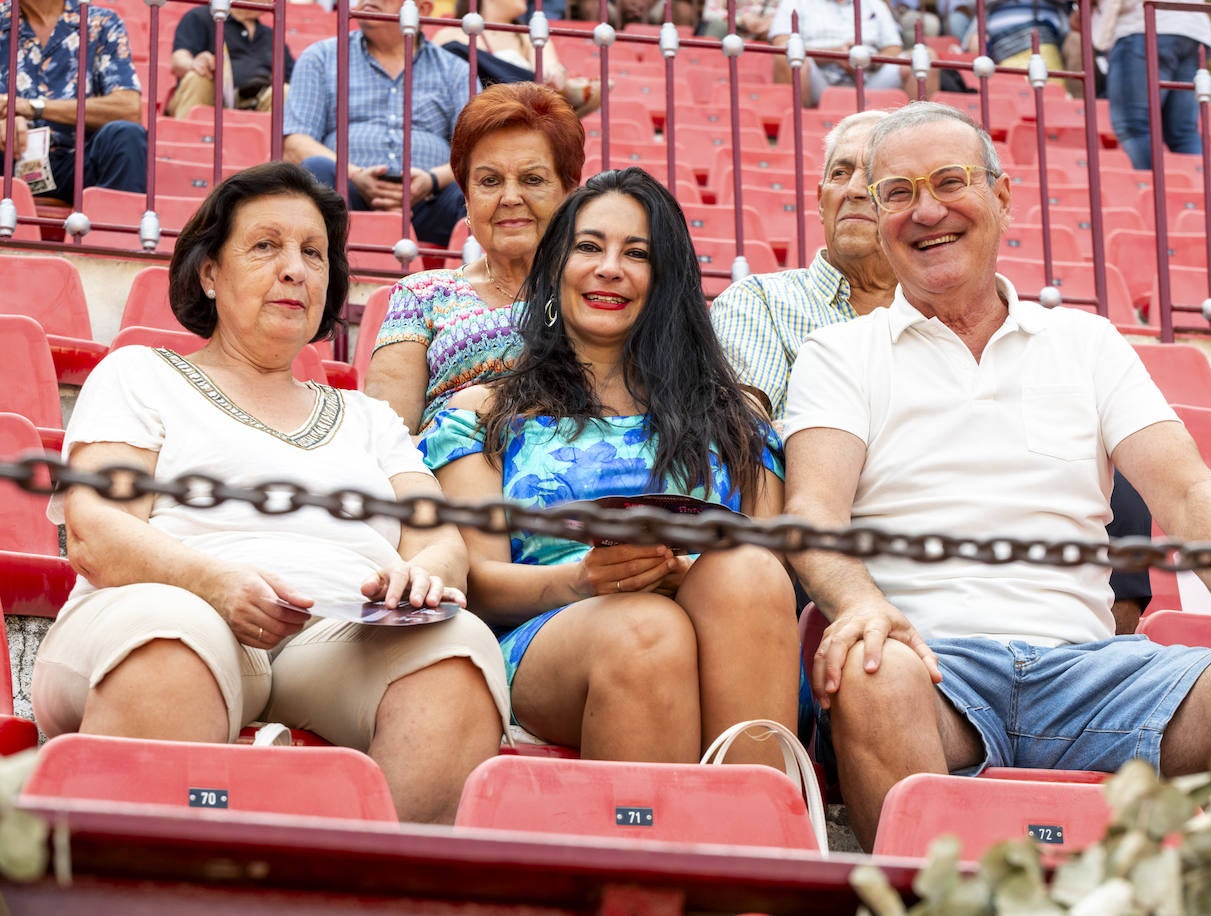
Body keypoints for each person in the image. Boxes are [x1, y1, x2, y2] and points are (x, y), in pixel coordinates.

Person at [783, 102, 1211, 850]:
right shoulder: (838, 354)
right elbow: (814, 511)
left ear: (1003, 195)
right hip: (933, 668)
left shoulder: (1086, 341)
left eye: (950, 181)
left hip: (1094, 671)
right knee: (871, 670)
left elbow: (1185, 485)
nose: (926, 211)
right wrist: (860, 605)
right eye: (897, 193)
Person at [31, 162, 509, 824]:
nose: (296, 270)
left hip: (338, 640)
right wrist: (213, 584)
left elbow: (438, 539)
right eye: (266, 246)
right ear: (209, 273)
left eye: (313, 253)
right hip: (165, 610)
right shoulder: (139, 373)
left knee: (457, 653)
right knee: (173, 639)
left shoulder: (367, 418)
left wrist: (421, 578)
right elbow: (96, 529)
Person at [711, 109, 1154, 632]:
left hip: (967, 502)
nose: (854, 189)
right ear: (822, 198)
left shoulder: (1005, 325)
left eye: (872, 178)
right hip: (825, 500)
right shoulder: (765, 299)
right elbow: (747, 428)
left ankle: (1098, 647)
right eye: (839, 173)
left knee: (1107, 450)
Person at [420, 167, 800, 764]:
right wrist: (587, 579)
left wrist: (683, 574)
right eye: (589, 247)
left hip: (723, 630)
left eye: (637, 253)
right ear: (556, 269)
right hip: (554, 636)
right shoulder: (483, 414)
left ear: (666, 280)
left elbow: (774, 567)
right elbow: (476, 580)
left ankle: (756, 838)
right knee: (646, 628)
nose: (609, 268)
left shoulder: (734, 419)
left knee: (747, 571)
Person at [366, 82, 585, 436]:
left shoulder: (596, 291)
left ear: (569, 193)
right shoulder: (422, 296)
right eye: (490, 181)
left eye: (532, 179)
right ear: (466, 198)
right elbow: (387, 443)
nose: (510, 197)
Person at [282, 0, 470, 248]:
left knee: (471, 191)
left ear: (422, 10)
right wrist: (355, 175)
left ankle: (468, 284)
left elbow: (474, 151)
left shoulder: (456, 70)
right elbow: (295, 142)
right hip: (344, 194)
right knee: (315, 169)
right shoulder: (321, 57)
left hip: (430, 200)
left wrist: (431, 181)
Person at [0, 0, 147, 201]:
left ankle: (114, 228)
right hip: (7, 158)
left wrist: (33, 107)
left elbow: (128, 109)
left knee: (126, 136)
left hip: (76, 161)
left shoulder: (101, 23)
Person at [1096, 0, 1211, 170]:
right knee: (1182, 132)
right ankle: (1196, 192)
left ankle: (1157, 191)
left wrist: (1101, 39)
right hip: (1195, 30)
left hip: (1145, 26)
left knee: (1133, 126)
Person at [432, 0, 600, 117]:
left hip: (522, 116)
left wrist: (557, 74)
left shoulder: (530, 38)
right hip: (469, 113)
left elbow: (550, 70)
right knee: (454, 50)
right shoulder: (449, 34)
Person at [768, 0, 917, 108]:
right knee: (786, 55)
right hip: (819, 79)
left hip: (870, 78)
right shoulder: (794, 2)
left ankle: (919, 132)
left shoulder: (875, 4)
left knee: (921, 58)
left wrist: (869, 61)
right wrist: (835, 54)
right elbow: (783, 43)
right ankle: (796, 129)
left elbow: (893, 48)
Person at [166, 3, 296, 118]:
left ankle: (274, 145)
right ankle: (187, 139)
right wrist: (195, 64)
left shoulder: (272, 36)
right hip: (213, 96)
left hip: (258, 102)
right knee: (197, 78)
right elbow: (179, 60)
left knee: (284, 91)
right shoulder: (201, 17)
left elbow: (295, 78)